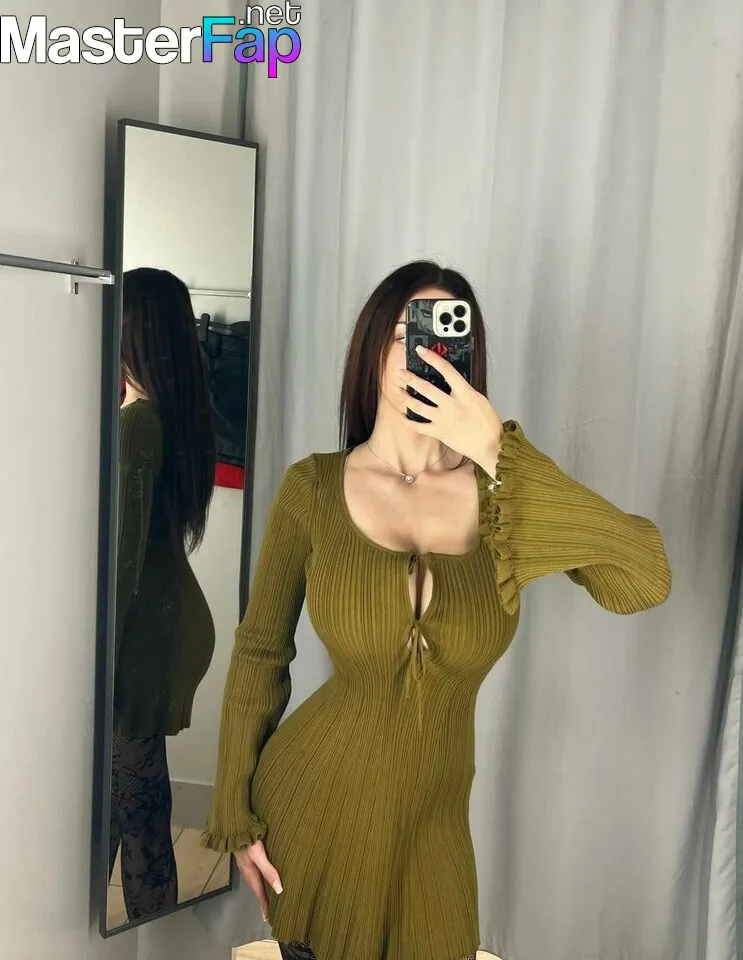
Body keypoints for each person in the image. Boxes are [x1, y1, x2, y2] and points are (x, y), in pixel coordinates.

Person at [202, 261, 672, 960]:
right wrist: (236, 811)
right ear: (370, 350)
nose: (418, 352)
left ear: (465, 359)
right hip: (314, 801)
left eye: (439, 336)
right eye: (400, 334)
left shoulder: (504, 499)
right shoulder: (313, 488)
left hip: (435, 823)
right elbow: (261, 649)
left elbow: (642, 578)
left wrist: (496, 450)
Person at [110, 267, 217, 921]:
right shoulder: (173, 416)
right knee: (130, 801)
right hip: (166, 622)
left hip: (146, 634)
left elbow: (119, 568)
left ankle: (151, 938)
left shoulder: (137, 425)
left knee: (138, 812)